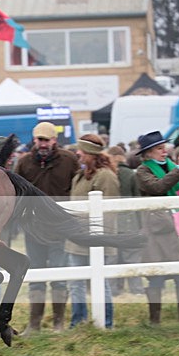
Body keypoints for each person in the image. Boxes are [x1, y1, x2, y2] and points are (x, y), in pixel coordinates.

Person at [14, 122, 80, 334]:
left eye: (46, 140)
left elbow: (77, 188)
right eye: (39, 139)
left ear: (54, 140)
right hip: (34, 229)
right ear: (34, 140)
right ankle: (34, 324)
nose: (42, 144)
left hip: (60, 228)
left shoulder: (69, 160)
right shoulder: (24, 163)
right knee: (35, 278)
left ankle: (58, 323)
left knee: (59, 278)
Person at [134, 130, 179, 324]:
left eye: (164, 148)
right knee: (157, 276)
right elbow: (158, 188)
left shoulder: (172, 167)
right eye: (159, 149)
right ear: (148, 153)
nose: (164, 152)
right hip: (158, 230)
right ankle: (154, 321)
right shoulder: (143, 171)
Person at [65, 134, 119, 329]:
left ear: (90, 153)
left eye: (81, 150)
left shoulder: (105, 176)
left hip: (96, 239)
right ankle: (78, 323)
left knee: (100, 283)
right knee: (75, 283)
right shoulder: (81, 174)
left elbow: (109, 211)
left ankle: (105, 322)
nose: (77, 153)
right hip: (76, 239)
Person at [108, 145, 143, 296]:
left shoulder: (107, 174)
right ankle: (137, 290)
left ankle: (113, 290)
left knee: (112, 258)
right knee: (132, 258)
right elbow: (138, 200)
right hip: (130, 221)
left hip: (110, 222)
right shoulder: (131, 174)